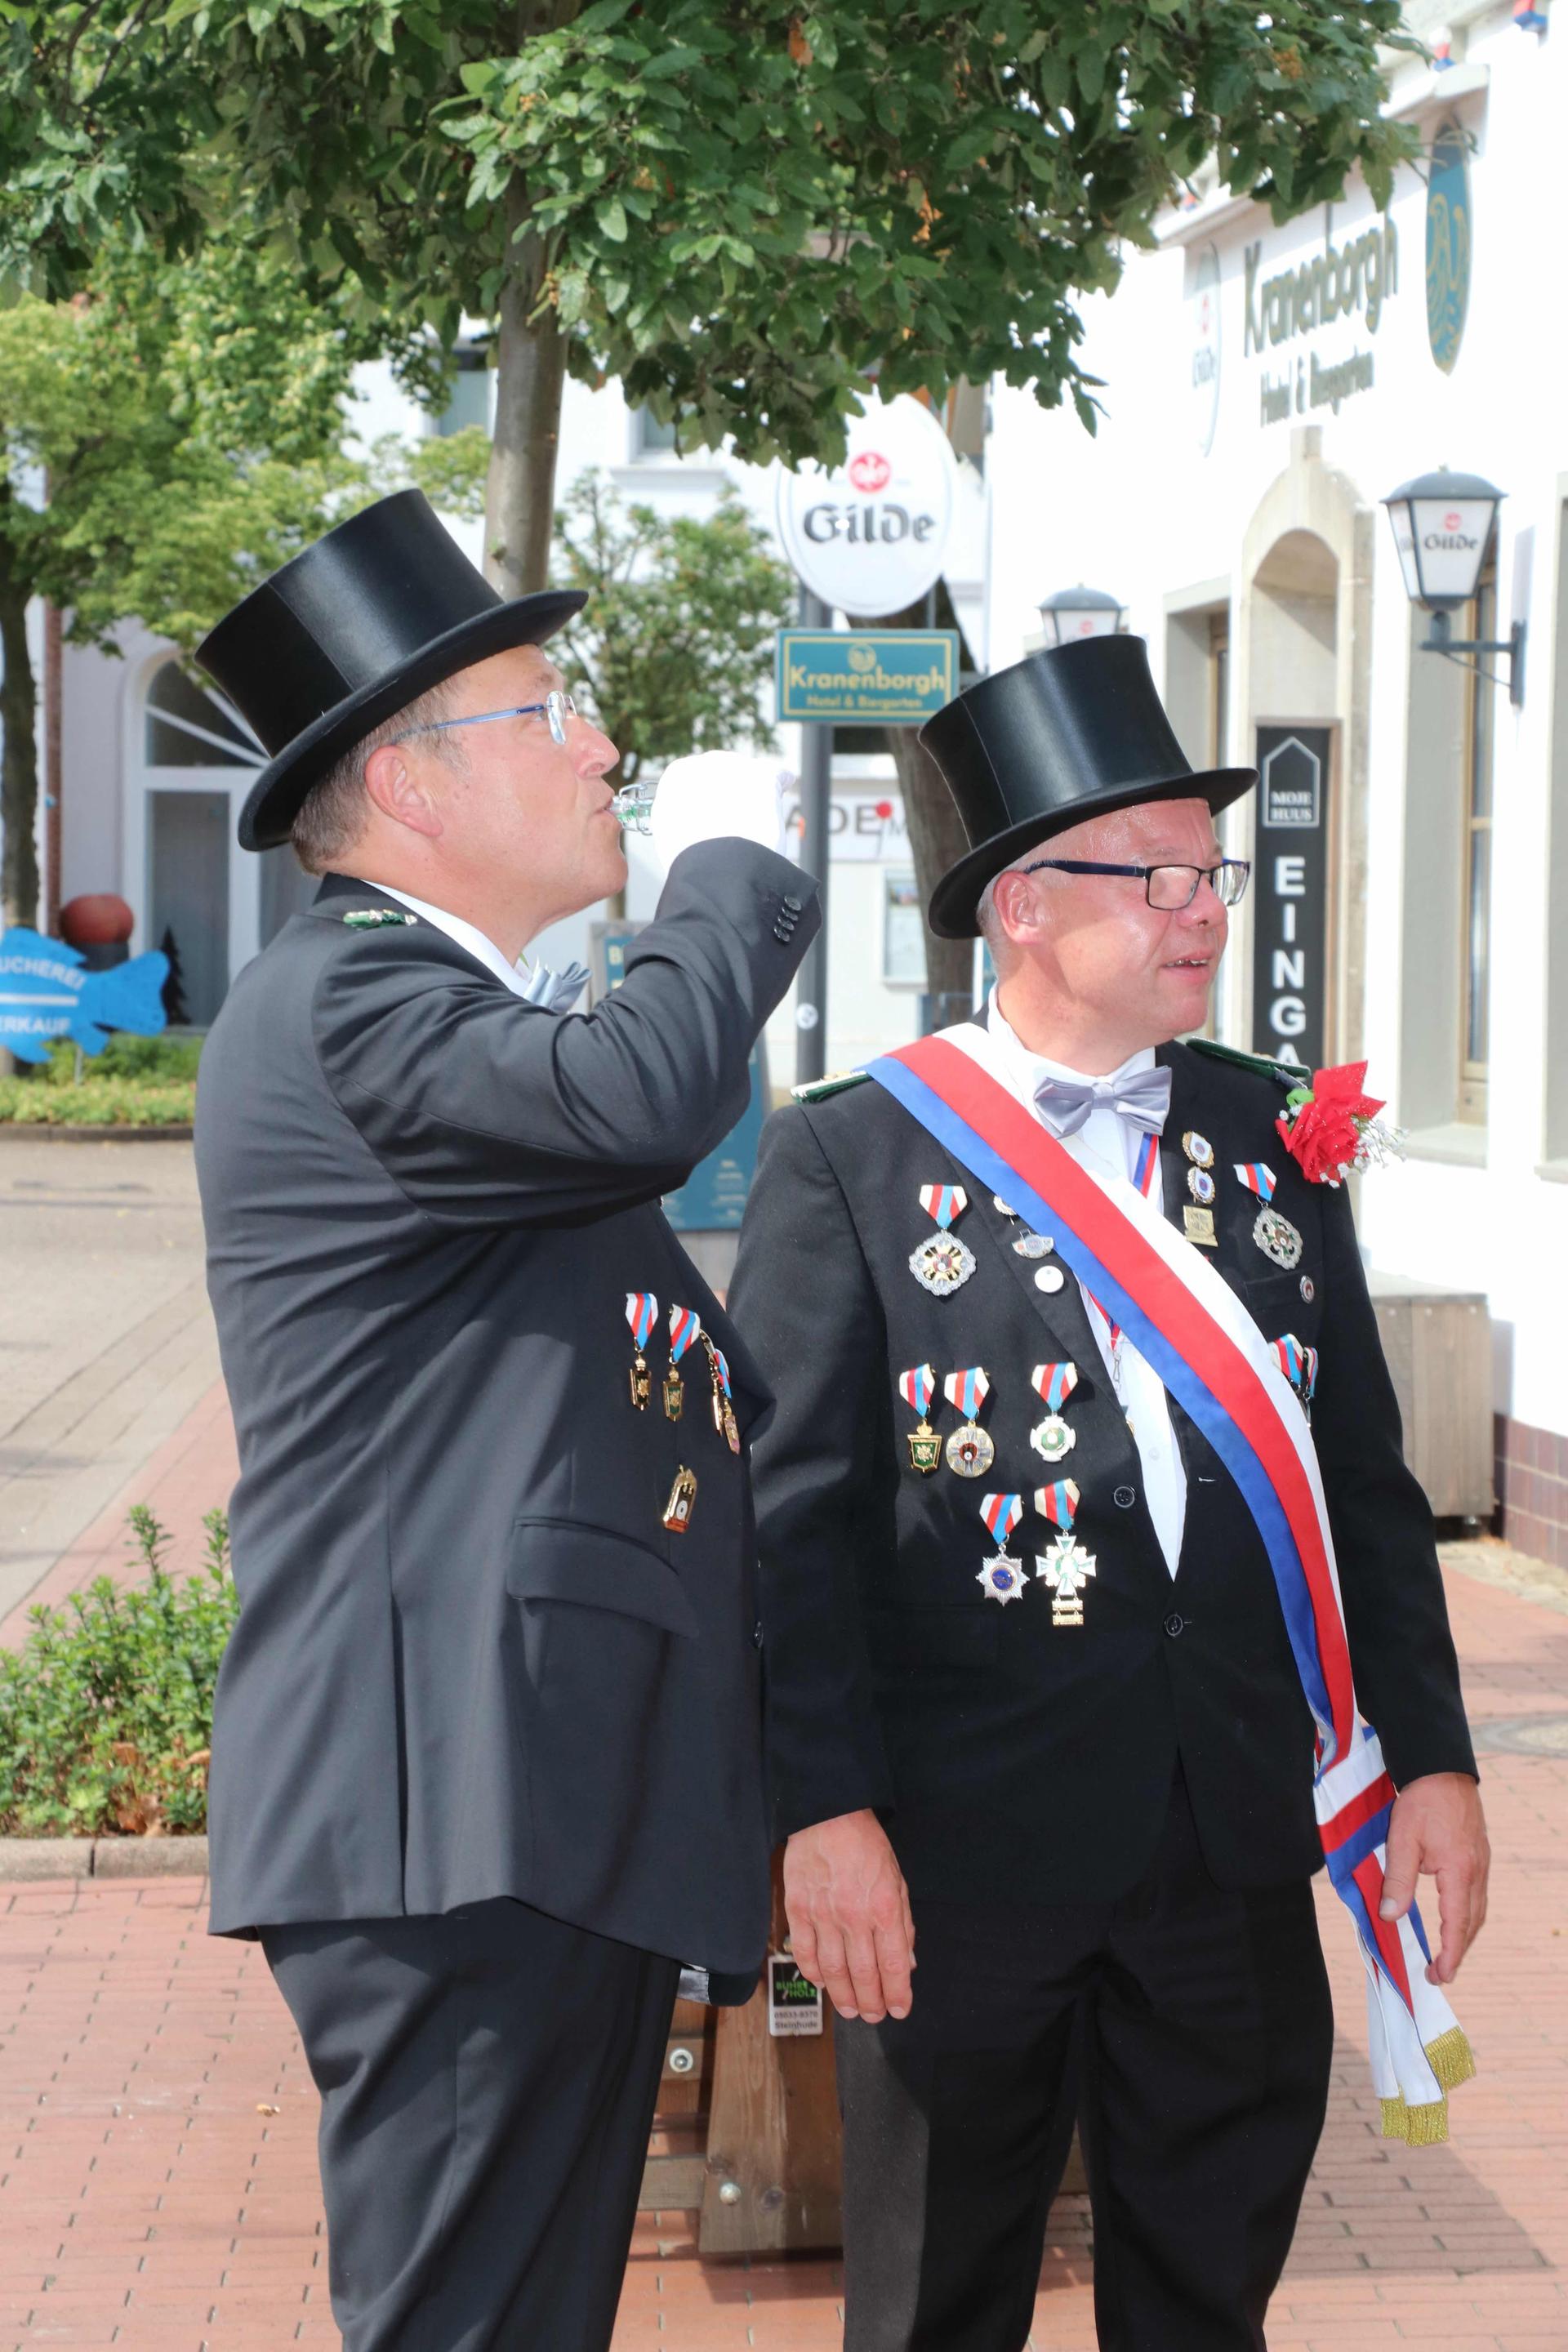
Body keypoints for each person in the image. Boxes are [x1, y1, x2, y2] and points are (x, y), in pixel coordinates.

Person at [729, 633, 1489, 2352]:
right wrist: (819, 1816)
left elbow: (1360, 1479)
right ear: (1017, 904)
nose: (1203, 908)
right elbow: (792, 1527)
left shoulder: (1266, 1132)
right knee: (936, 2304)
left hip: (1226, 1843)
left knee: (1210, 2297)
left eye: (1210, 871)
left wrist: (1431, 1756)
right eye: (1155, 874)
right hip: (957, 1855)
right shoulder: (853, 1153)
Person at [191, 488, 819, 2352]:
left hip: (534, 1805)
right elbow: (642, 1095)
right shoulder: (353, 999)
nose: (605, 743)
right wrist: (729, 876)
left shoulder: (440, 1021)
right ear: (410, 783)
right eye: (549, 708)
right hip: (447, 1806)